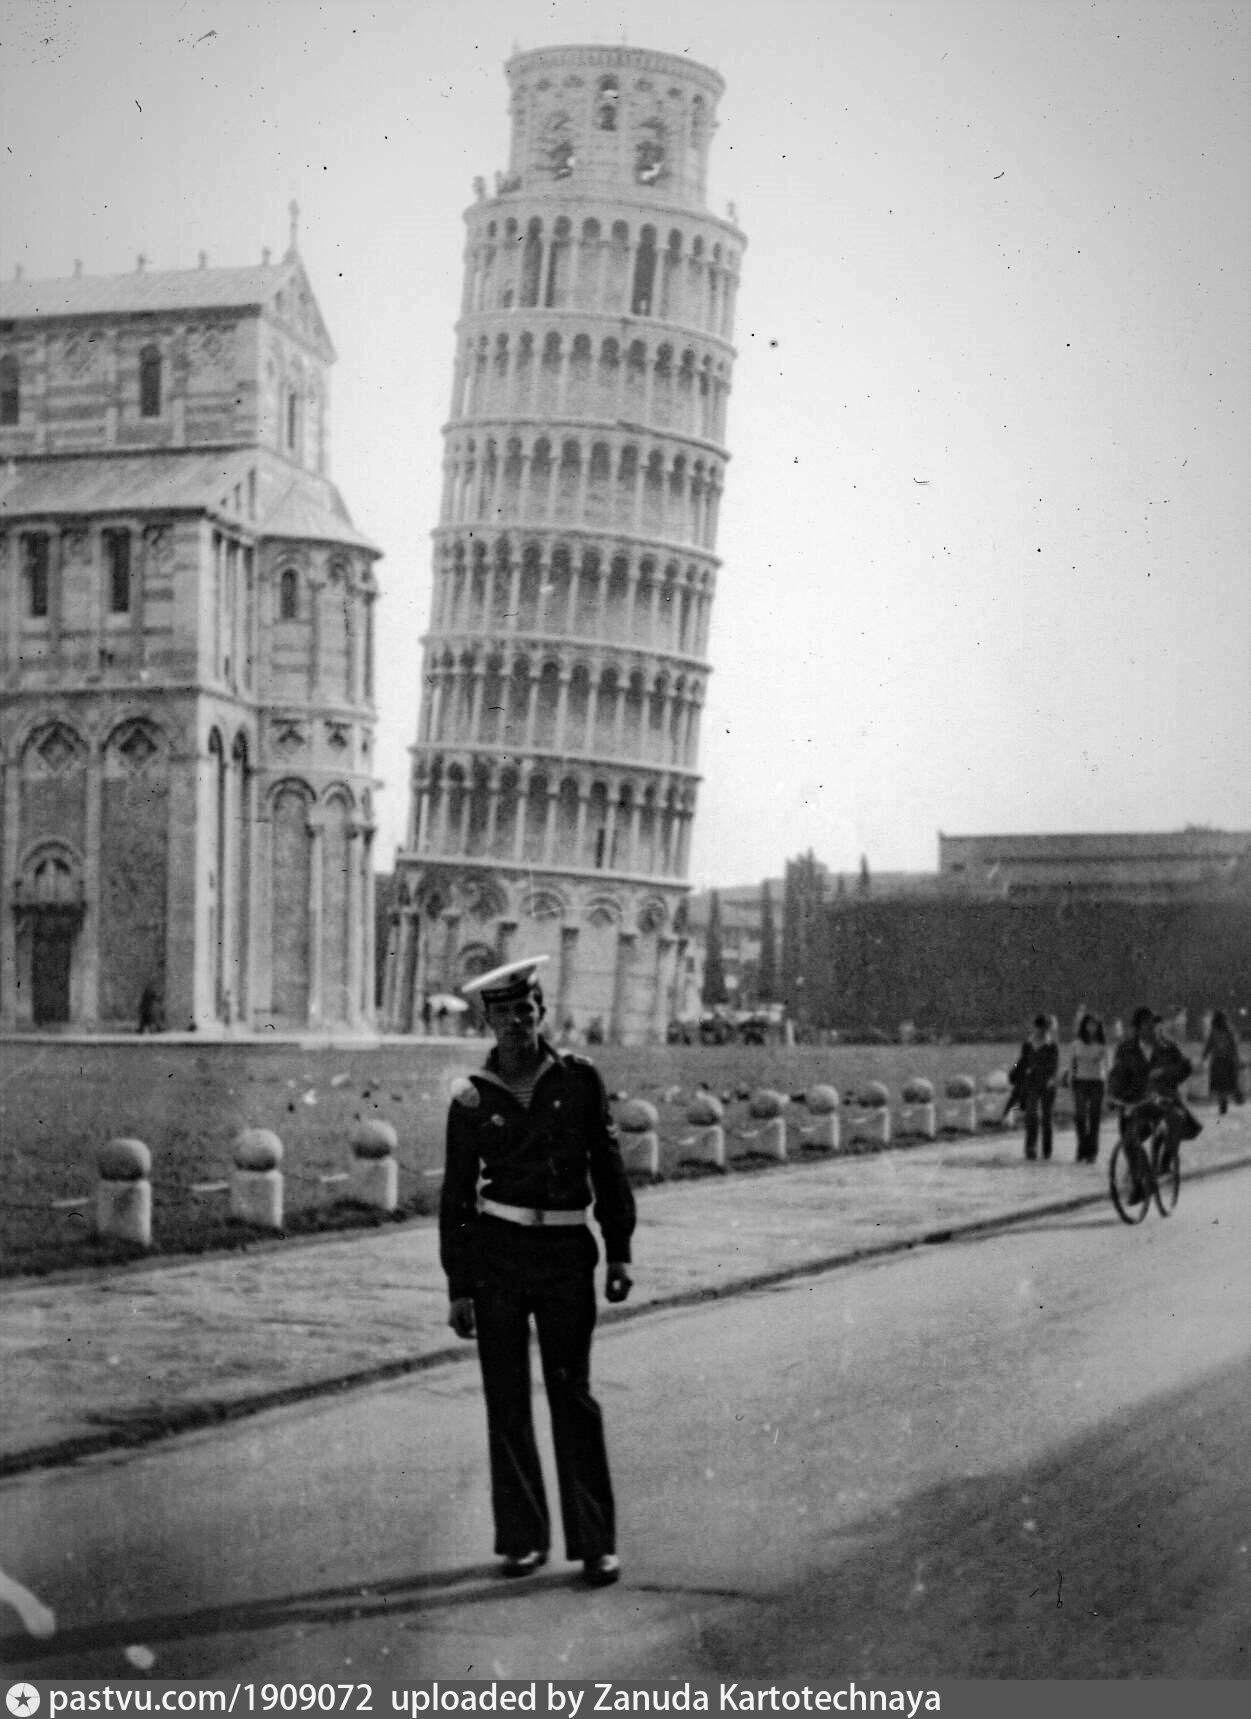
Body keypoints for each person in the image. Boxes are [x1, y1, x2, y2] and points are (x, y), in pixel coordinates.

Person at [439, 955, 635, 1588]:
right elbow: (456, 1195)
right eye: (504, 1014)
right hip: (497, 1255)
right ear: (488, 1023)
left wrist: (620, 1248)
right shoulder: (471, 1096)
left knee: (572, 1394)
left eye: (526, 1011)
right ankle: (523, 1540)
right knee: (506, 1398)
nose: (517, 1023)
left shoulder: (579, 1079)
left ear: (542, 1013)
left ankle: (596, 1544)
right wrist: (459, 1285)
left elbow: (607, 1165)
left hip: (564, 1254)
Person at [1107, 1006, 1200, 1179]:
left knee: (1173, 1123)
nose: (1152, 1029)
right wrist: (1112, 1095)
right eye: (1147, 1025)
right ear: (1138, 1028)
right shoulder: (1126, 1049)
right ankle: (1136, 1171)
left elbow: (1184, 1068)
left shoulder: (1168, 1047)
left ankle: (1164, 1163)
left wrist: (1165, 1072)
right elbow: (1117, 1075)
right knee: (1130, 1136)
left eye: (1153, 1025)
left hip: (1163, 1099)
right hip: (1136, 1100)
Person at [1009, 1013, 1060, 1160]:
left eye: (1044, 1028)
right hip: (1031, 1083)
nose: (1041, 1030)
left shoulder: (1052, 1045)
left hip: (1048, 1084)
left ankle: (1047, 1149)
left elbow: (1055, 1065)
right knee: (1031, 1115)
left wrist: (1051, 1078)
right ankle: (1030, 1148)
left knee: (1046, 1117)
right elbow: (1021, 1061)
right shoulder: (1028, 1044)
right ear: (1035, 1027)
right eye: (1039, 1027)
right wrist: (1014, 1070)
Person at [1068, 1012, 1108, 1164]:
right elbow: (1071, 1066)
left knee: (1094, 1117)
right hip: (1080, 1082)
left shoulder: (1101, 1046)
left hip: (1097, 1082)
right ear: (1084, 1026)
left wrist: (1108, 1087)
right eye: (1089, 1024)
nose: (1091, 1028)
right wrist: (1070, 1083)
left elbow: (1107, 1067)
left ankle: (1092, 1151)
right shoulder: (1076, 1045)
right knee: (1080, 1116)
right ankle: (1082, 1147)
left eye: (1094, 1025)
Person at [1202, 1009, 1243, 1117]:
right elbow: (1233, 1047)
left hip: (1219, 1061)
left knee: (1221, 1084)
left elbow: (1209, 1045)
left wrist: (1204, 1056)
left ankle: (1225, 1102)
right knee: (1227, 1083)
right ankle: (1230, 1099)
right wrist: (1237, 1059)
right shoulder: (1228, 1032)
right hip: (1226, 1061)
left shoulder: (1216, 1032)